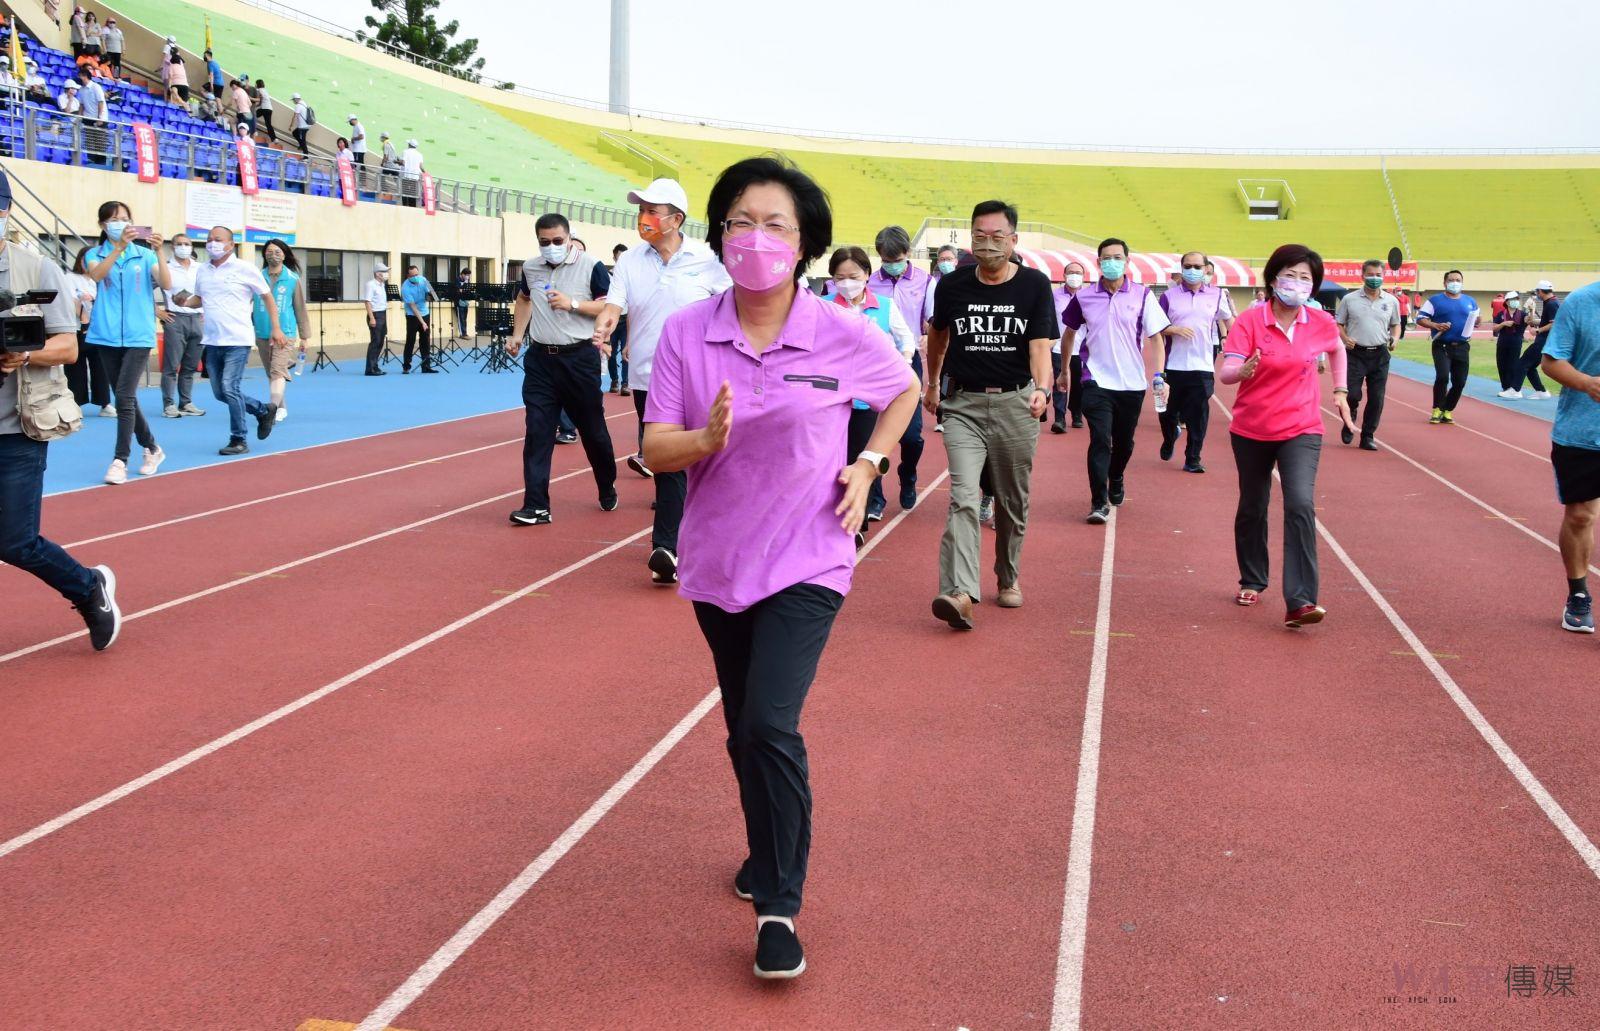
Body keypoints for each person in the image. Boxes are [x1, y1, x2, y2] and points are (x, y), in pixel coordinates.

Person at [641, 155, 917, 980]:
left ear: (803, 246)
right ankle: (765, 851)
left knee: (768, 723)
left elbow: (903, 389)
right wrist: (704, 441)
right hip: (719, 562)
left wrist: (868, 462)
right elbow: (656, 448)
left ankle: (779, 908)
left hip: (810, 558)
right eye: (741, 222)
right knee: (741, 730)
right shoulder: (688, 333)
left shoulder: (840, 329)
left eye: (776, 225)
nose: (756, 238)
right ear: (720, 235)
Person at [0, 171, 122, 651]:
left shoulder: (36, 270)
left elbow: (69, 347)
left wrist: (22, 355)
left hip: (16, 427)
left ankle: (89, 587)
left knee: (15, 542)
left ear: (5, 211)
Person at [925, 200, 1056, 629]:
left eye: (997, 236)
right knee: (963, 497)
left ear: (1014, 240)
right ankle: (960, 591)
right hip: (962, 406)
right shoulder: (952, 285)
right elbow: (939, 339)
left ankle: (1007, 575)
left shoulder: (1035, 286)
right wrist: (932, 383)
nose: (988, 244)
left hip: (1015, 406)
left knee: (1012, 502)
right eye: (979, 236)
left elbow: (1040, 348)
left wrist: (1042, 389)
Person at [593, 178, 730, 581]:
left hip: (704, 376)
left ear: (676, 219)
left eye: (652, 211)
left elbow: (733, 309)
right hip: (649, 377)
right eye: (641, 210)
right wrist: (603, 327)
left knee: (707, 461)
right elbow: (613, 307)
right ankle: (666, 549)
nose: (644, 218)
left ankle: (696, 537)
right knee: (666, 461)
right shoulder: (631, 261)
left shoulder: (709, 260)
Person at [1219, 244, 1357, 628]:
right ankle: (1252, 578)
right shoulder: (1250, 321)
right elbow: (1226, 372)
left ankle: (1300, 600)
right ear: (1274, 278)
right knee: (1253, 504)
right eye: (1290, 275)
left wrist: (1341, 391)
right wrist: (1241, 371)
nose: (1297, 284)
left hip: (1302, 427)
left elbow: (1336, 351)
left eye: (1305, 278)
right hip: (1252, 427)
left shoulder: (1320, 322)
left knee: (1299, 503)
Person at [506, 213, 616, 525]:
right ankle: (536, 505)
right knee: (537, 432)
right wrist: (517, 335)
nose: (551, 247)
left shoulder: (590, 265)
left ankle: (606, 484)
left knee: (593, 431)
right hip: (541, 360)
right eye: (544, 242)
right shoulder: (531, 267)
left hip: (579, 359)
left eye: (557, 241)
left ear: (568, 238)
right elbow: (524, 299)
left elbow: (610, 307)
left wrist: (574, 304)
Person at [1059, 238, 1171, 523]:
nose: (1112, 262)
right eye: (1106, 257)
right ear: (1098, 263)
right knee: (1099, 439)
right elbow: (1069, 333)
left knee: (1124, 443)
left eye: (1117, 257)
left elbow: (1156, 338)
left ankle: (1117, 475)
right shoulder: (1083, 297)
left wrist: (1159, 375)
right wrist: (1063, 370)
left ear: (1127, 261)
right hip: (1095, 379)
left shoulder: (1143, 295)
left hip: (1131, 384)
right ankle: (1098, 502)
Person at [169, 226, 285, 454]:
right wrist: (184, 302)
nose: (213, 243)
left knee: (230, 388)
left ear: (231, 245)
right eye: (210, 240)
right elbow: (200, 299)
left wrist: (276, 328)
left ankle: (239, 439)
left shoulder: (245, 269)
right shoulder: (203, 270)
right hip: (212, 340)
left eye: (218, 240)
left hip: (237, 339)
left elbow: (267, 297)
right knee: (220, 393)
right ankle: (262, 410)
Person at [830, 245, 917, 547]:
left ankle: (858, 520)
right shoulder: (823, 305)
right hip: (830, 398)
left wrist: (903, 362)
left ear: (867, 275)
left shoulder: (885, 306)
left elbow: (907, 339)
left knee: (862, 457)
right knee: (831, 461)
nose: (847, 283)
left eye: (853, 276)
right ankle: (832, 518)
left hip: (867, 399)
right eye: (840, 277)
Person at [84, 202, 168, 485]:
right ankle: (153, 448)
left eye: (125, 218)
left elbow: (166, 284)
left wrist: (159, 250)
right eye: (114, 219)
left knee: (123, 396)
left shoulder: (144, 255)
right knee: (125, 396)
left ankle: (120, 459)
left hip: (138, 335)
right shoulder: (93, 254)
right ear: (103, 225)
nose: (121, 223)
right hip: (105, 334)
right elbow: (96, 276)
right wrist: (118, 247)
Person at [1538, 279, 1600, 633]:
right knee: (1580, 516)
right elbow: (1551, 361)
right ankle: (1578, 593)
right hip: (1583, 433)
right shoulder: (1581, 302)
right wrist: (1586, 383)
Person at [865, 225, 931, 513]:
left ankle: (908, 475)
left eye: (897, 258)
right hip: (874, 361)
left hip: (909, 360)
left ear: (908, 254)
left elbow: (931, 320)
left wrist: (927, 336)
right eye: (886, 260)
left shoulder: (926, 282)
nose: (892, 265)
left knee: (912, 435)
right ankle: (876, 498)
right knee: (872, 432)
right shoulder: (868, 282)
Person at [1157, 251, 1234, 472]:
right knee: (1167, 412)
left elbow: (1230, 322)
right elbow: (1156, 328)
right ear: (1181, 269)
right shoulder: (1168, 296)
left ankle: (1193, 458)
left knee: (1198, 415)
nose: (1193, 271)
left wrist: (1241, 345)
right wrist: (1174, 329)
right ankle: (1170, 436)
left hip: (1202, 366)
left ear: (1205, 269)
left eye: (1197, 267)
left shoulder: (1216, 295)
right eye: (1188, 266)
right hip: (1173, 365)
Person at [1334, 258, 1401, 450]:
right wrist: (1345, 338)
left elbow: (1396, 324)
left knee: (1377, 398)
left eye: (1378, 275)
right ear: (1362, 275)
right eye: (1370, 275)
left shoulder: (1391, 301)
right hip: (1355, 353)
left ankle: (1368, 435)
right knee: (1352, 394)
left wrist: (1394, 339)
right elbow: (1339, 323)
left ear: (1384, 276)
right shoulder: (1350, 299)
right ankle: (1350, 416)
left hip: (1379, 354)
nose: (1374, 278)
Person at [254, 238, 309, 418]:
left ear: (284, 255)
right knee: (272, 373)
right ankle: (281, 407)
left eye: (277, 252)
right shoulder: (257, 277)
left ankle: (271, 410)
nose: (273, 255)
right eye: (269, 252)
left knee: (277, 371)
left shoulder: (292, 279)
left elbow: (300, 308)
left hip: (284, 333)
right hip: (262, 331)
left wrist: (304, 337)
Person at [1415, 270, 1479, 423]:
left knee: (1460, 382)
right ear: (1444, 283)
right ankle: (1437, 408)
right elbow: (1421, 318)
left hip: (1462, 346)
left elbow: (1477, 318)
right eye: (1451, 280)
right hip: (1442, 345)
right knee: (1443, 377)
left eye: (1458, 280)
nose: (1455, 282)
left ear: (1462, 282)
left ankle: (1448, 409)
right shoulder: (1435, 300)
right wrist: (1435, 325)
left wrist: (1476, 321)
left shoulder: (1470, 301)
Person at [156, 232, 206, 419]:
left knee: (190, 365)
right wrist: (158, 311)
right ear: (172, 247)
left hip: (197, 319)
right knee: (171, 365)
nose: (184, 247)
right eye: (180, 244)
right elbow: (144, 289)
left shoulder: (200, 268)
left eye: (187, 244)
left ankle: (186, 402)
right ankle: (168, 404)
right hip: (175, 319)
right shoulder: (165, 268)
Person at [63, 246, 110, 414]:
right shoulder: (70, 278)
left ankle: (104, 402)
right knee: (76, 366)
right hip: (78, 328)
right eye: (85, 259)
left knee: (101, 366)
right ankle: (76, 403)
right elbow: (71, 300)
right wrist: (84, 320)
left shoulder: (103, 280)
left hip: (100, 329)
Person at [1050, 260, 1088, 433]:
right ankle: (1059, 418)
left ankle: (1077, 413)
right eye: (1071, 272)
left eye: (1078, 273)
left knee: (1080, 383)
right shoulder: (1054, 296)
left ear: (1083, 277)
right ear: (1064, 276)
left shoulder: (1088, 296)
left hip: (1082, 348)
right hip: (1059, 346)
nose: (1074, 276)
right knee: (1060, 381)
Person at [1519, 280, 1560, 400]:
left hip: (1544, 341)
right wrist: (1536, 323)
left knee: (1523, 363)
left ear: (1541, 291)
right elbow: (1548, 322)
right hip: (1544, 340)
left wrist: (1538, 330)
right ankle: (1540, 391)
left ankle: (1515, 389)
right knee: (1530, 366)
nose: (1537, 294)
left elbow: (1554, 324)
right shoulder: (1550, 302)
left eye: (1537, 291)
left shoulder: (1552, 304)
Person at [400, 263, 439, 373]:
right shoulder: (405, 287)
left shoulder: (423, 279)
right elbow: (412, 307)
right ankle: (406, 366)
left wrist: (432, 295)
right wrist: (422, 322)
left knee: (425, 340)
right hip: (412, 315)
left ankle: (426, 366)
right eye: (413, 275)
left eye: (417, 274)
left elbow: (432, 293)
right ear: (408, 276)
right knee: (410, 340)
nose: (416, 277)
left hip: (425, 312)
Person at [1492, 290, 1530, 398]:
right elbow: (1494, 327)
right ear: (1507, 302)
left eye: (1517, 299)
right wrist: (1503, 324)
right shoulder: (1501, 314)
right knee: (1501, 365)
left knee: (1512, 365)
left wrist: (1531, 311)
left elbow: (1529, 321)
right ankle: (1505, 388)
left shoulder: (1522, 314)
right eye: (1513, 300)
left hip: (1515, 343)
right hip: (1502, 342)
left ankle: (1513, 388)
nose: (1515, 301)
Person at [604, 244, 629, 394]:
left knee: (626, 352)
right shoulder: (608, 276)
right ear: (614, 258)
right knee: (610, 353)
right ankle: (615, 380)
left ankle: (626, 383)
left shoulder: (633, 275)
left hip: (627, 320)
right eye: (619, 258)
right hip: (612, 319)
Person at [363, 261, 390, 376]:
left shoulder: (382, 285)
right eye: (385, 272)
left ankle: (375, 366)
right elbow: (367, 302)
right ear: (378, 273)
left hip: (382, 313)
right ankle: (370, 368)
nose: (387, 274)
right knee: (375, 341)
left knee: (380, 341)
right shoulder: (371, 284)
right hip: (375, 314)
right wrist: (372, 318)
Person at [76, 69, 106, 167]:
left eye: (80, 76)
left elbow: (100, 102)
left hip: (98, 118)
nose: (79, 78)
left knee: (100, 141)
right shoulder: (81, 90)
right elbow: (81, 104)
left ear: (85, 76)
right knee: (89, 140)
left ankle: (101, 163)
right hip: (88, 117)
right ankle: (91, 160)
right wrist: (79, 117)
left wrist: (100, 118)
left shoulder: (96, 87)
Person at [401, 140, 424, 207]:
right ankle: (412, 206)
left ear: (409, 145)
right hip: (415, 177)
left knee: (405, 192)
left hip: (406, 175)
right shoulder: (420, 154)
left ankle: (404, 206)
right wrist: (425, 173)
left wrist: (398, 162)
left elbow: (403, 163)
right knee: (413, 193)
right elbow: (421, 167)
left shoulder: (405, 151)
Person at [451, 266, 471, 342]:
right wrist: (462, 287)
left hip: (465, 301)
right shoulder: (457, 280)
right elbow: (458, 290)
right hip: (458, 302)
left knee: (465, 318)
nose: (468, 277)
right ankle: (462, 334)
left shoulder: (466, 281)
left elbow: (466, 290)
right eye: (467, 275)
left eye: (469, 275)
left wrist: (464, 287)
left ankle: (465, 333)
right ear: (462, 274)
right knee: (460, 318)